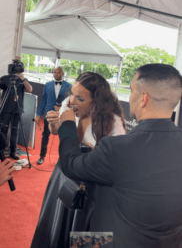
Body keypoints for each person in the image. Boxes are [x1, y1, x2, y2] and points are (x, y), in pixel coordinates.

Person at [58, 64, 182, 248]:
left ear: (143, 98)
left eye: (131, 90)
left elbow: (69, 164)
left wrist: (67, 125)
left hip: (105, 240)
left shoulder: (116, 148)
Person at [30, 72, 126, 248]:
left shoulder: (113, 122)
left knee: (82, 234)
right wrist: (53, 123)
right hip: (63, 175)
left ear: (97, 101)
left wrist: (92, 152)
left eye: (80, 98)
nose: (72, 101)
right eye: (72, 93)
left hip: (91, 186)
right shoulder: (67, 105)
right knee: (53, 226)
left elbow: (115, 163)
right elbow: (56, 132)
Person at [34, 67, 71, 164]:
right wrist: (38, 114)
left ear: (63, 73)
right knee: (45, 135)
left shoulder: (69, 86)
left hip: (62, 115)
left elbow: (70, 101)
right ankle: (42, 156)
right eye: (54, 72)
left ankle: (61, 159)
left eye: (58, 72)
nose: (56, 74)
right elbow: (43, 101)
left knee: (62, 137)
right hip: (48, 115)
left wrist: (63, 107)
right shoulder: (47, 85)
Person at [0, 64, 32, 160]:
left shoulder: (23, 80)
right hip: (6, 109)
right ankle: (1, 151)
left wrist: (23, 79)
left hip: (17, 109)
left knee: (15, 131)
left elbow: (30, 89)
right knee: (3, 130)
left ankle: (13, 151)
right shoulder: (5, 78)